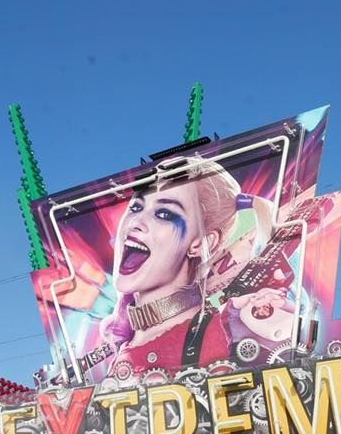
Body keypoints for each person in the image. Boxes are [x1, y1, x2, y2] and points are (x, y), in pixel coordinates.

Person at [99, 155, 289, 376]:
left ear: (202, 243)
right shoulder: (130, 339)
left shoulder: (214, 337)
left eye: (164, 214)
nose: (135, 222)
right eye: (136, 207)